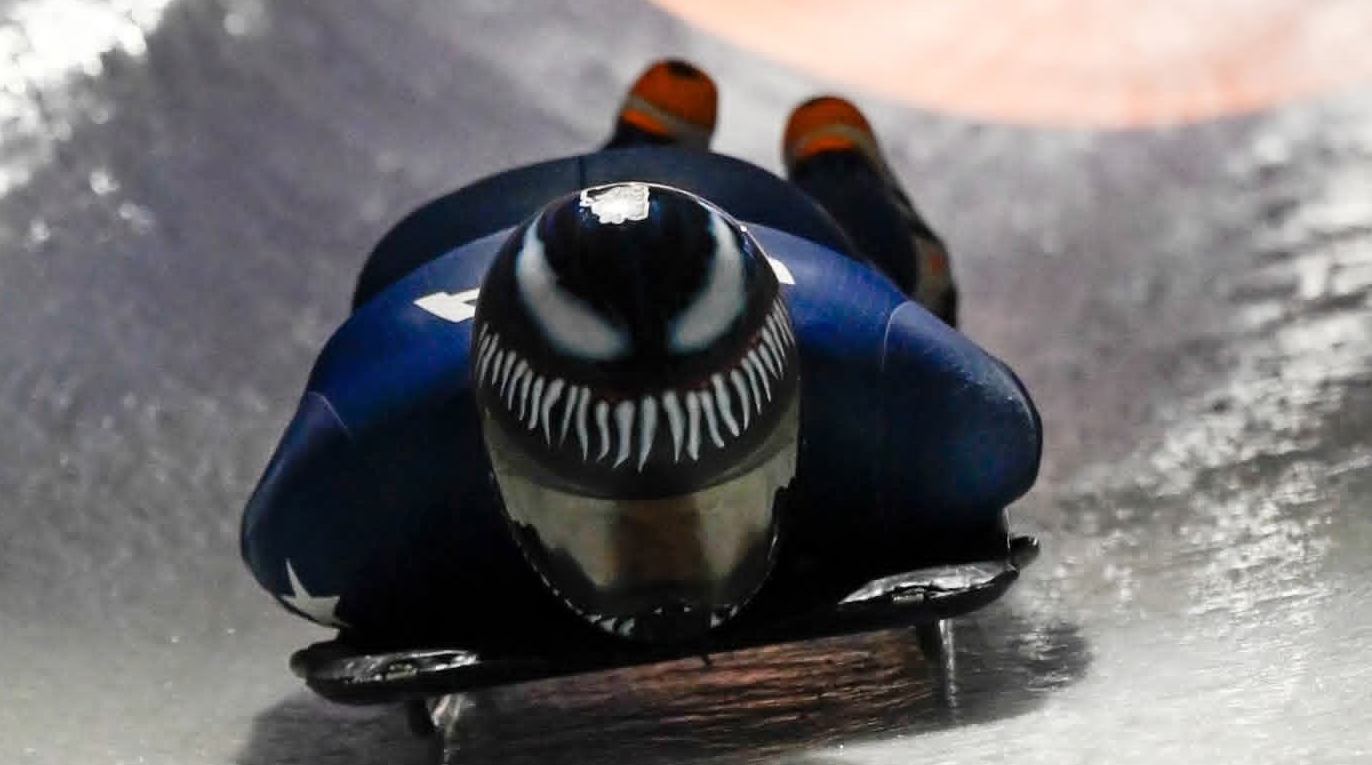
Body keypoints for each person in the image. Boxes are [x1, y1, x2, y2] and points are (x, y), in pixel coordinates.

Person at [240, 60, 1041, 653]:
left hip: (758, 221)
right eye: (607, 520)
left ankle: (833, 168)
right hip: (435, 253)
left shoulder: (933, 404)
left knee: (888, 266)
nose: (665, 570)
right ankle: (691, 146)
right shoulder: (349, 461)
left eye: (706, 509)